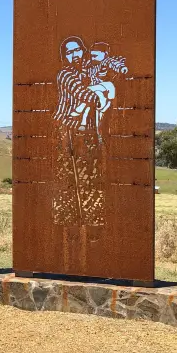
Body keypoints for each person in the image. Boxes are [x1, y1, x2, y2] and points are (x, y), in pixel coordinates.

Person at [52, 36, 105, 227]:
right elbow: (84, 94)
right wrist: (100, 94)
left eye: (77, 50)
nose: (74, 55)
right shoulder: (66, 75)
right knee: (68, 178)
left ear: (83, 51)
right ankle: (68, 222)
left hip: (86, 132)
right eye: (69, 52)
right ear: (64, 57)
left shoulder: (87, 73)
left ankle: (89, 222)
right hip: (66, 131)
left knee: (89, 176)